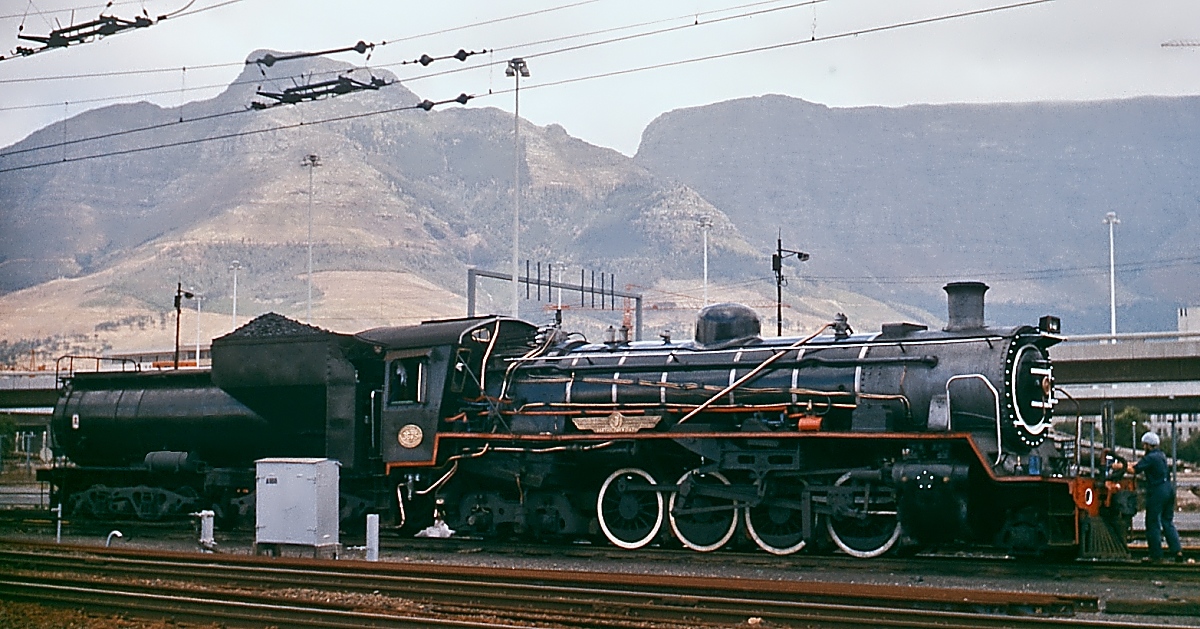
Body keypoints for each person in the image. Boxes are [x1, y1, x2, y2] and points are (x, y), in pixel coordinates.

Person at [1132, 432, 1183, 562]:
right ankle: (1177, 551)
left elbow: (1135, 469)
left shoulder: (1150, 457)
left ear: (1148, 445)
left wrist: (1118, 466)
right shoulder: (1161, 455)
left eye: (1144, 445)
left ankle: (1156, 555)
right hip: (1169, 489)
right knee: (1167, 522)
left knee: (1152, 522)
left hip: (1157, 492)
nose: (1143, 447)